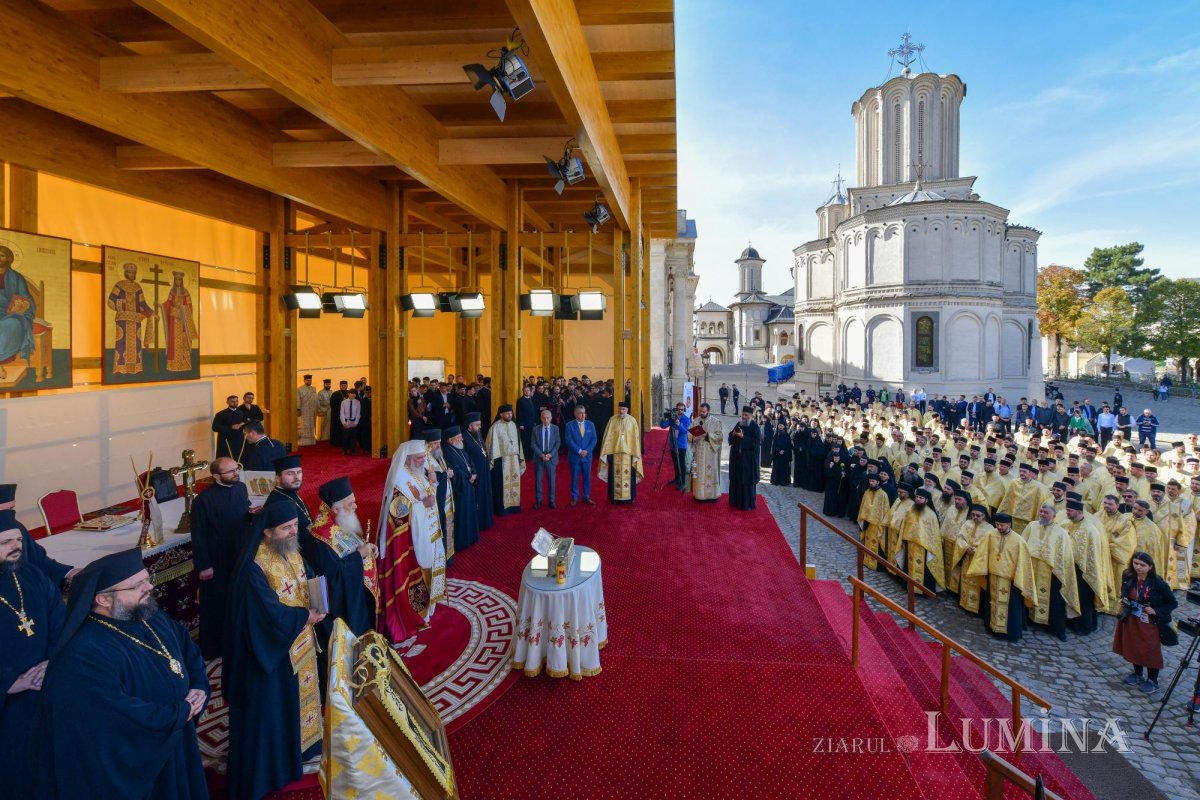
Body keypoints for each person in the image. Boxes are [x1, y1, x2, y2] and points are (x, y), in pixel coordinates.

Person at [35, 548, 208, 799]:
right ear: (103, 600)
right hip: (141, 755)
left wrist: (200, 686)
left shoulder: (150, 615)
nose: (149, 588)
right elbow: (113, 715)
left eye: (147, 579)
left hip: (175, 736)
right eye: (137, 585)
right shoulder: (83, 652)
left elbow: (188, 651)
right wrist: (177, 713)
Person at [224, 503, 325, 800]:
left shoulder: (289, 549)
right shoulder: (254, 566)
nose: (294, 531)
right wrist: (303, 617)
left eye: (294, 525)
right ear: (266, 532)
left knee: (298, 702)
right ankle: (274, 769)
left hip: (298, 644)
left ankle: (302, 748)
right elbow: (264, 614)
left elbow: (303, 578)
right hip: (271, 653)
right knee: (274, 711)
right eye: (286, 528)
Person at [0, 512, 66, 799]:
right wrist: (9, 683)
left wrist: (51, 661)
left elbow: (59, 621)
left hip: (46, 685)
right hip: (9, 702)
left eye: (18, 540)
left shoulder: (32, 574)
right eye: (5, 542)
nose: (16, 547)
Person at [377, 440, 447, 643]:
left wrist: (432, 482)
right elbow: (398, 514)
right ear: (407, 459)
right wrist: (421, 505)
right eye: (419, 459)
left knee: (433, 565)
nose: (423, 462)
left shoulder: (418, 472)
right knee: (420, 570)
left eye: (423, 458)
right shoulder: (399, 479)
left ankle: (430, 605)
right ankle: (419, 611)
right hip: (412, 541)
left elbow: (428, 493)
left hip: (429, 533)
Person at [189, 456, 251, 659]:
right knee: (217, 605)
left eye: (237, 469)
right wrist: (204, 565)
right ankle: (215, 648)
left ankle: (238, 642)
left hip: (240, 555)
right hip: (217, 561)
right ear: (216, 476)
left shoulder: (241, 488)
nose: (236, 473)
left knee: (239, 601)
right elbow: (198, 535)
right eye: (230, 471)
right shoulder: (203, 500)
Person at [306, 477, 378, 638]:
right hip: (340, 613)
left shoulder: (337, 519)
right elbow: (335, 577)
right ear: (336, 509)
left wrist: (367, 548)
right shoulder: (321, 538)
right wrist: (360, 555)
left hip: (355, 593)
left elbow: (351, 545)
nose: (356, 506)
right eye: (350, 504)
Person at [964, 513, 1038, 641]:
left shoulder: (1018, 541)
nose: (999, 527)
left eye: (1002, 525)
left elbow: (1023, 563)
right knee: (992, 603)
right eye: (997, 524)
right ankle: (991, 627)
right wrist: (983, 569)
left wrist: (1017, 578)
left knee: (1011, 608)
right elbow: (983, 553)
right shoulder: (991, 535)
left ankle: (1010, 634)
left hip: (1010, 581)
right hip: (993, 577)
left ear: (1009, 524)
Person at [1113, 552, 1177, 695]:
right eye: (1135, 563)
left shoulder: (1159, 584)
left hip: (1149, 622)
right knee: (1134, 646)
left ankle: (1153, 680)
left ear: (1150, 567)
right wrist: (1123, 600)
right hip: (1132, 619)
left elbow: (1172, 603)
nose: (1138, 567)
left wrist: (1155, 610)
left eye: (1142, 565)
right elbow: (1124, 591)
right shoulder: (1128, 576)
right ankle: (1138, 674)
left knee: (1150, 650)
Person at [0, 484, 75, 590]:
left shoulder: (17, 527)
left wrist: (68, 573)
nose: (11, 515)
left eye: (12, 508)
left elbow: (40, 560)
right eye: (6, 510)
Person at [1022, 504, 1080, 642]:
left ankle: (1057, 629)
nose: (1042, 514)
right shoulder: (1031, 526)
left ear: (1054, 516)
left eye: (1046, 512)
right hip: (1032, 569)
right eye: (1041, 511)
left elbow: (1065, 555)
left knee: (1055, 602)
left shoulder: (1061, 532)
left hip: (1051, 573)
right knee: (1029, 593)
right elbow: (1022, 544)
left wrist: (1059, 570)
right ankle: (1029, 621)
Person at [1063, 499, 1111, 636]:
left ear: (1079, 512)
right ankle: (1071, 621)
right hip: (1069, 568)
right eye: (1067, 510)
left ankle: (1084, 626)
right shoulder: (1066, 524)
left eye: (1069, 511)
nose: (1067, 513)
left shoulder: (1090, 530)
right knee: (1070, 596)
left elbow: (1093, 555)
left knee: (1084, 599)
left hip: (1084, 571)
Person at [106, 261, 154, 375]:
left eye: (134, 273)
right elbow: (110, 301)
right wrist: (124, 303)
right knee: (121, 342)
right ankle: (119, 367)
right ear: (125, 272)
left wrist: (151, 312)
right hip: (122, 319)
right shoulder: (119, 285)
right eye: (130, 272)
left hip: (135, 320)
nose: (132, 274)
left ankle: (136, 368)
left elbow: (142, 303)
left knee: (136, 344)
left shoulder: (138, 287)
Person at [442, 427, 480, 553]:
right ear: (451, 440)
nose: (462, 438)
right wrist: (469, 477)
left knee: (470, 512)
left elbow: (470, 461)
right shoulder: (447, 452)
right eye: (459, 437)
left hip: (469, 486)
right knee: (463, 514)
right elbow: (456, 470)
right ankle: (463, 541)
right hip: (461, 489)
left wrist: (474, 472)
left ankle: (471, 537)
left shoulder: (460, 448)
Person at [598, 400, 643, 504]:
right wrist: (607, 450)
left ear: (627, 410)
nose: (621, 411)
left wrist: (635, 451)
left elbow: (635, 438)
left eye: (624, 409)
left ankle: (629, 497)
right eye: (620, 409)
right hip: (615, 453)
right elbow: (608, 436)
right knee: (615, 474)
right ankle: (614, 498)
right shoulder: (612, 420)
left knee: (629, 475)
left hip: (628, 453)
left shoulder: (632, 421)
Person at [486, 404, 526, 514]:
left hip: (513, 459)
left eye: (510, 413)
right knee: (500, 485)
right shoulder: (495, 427)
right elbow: (490, 446)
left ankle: (514, 506)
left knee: (514, 482)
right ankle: (501, 509)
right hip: (500, 460)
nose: (509, 415)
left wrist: (521, 458)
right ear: (500, 414)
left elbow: (518, 443)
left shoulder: (514, 425)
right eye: (507, 413)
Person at [263, 454, 313, 542]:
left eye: (299, 472)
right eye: (290, 474)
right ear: (278, 479)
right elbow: (283, 540)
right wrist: (308, 530)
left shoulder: (290, 491)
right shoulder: (277, 502)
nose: (297, 477)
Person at [461, 413, 495, 529]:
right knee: (478, 498)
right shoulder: (464, 438)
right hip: (475, 475)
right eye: (477, 425)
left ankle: (487, 519)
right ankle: (479, 523)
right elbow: (465, 458)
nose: (479, 427)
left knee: (485, 495)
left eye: (480, 425)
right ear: (470, 426)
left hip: (484, 472)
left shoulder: (478, 435)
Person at [727, 406, 760, 511]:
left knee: (745, 481)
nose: (744, 417)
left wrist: (743, 437)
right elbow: (731, 437)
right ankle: (735, 502)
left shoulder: (755, 427)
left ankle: (746, 504)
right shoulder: (739, 423)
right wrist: (732, 434)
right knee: (736, 479)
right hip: (737, 459)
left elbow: (756, 444)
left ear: (751, 416)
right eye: (743, 414)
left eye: (746, 415)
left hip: (747, 461)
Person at [689, 403, 723, 502]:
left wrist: (707, 435)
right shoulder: (695, 421)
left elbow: (719, 437)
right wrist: (694, 436)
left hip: (710, 453)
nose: (701, 413)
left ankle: (712, 495)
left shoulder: (716, 422)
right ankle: (699, 495)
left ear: (708, 411)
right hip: (699, 452)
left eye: (703, 411)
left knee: (710, 472)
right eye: (700, 411)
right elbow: (689, 436)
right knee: (699, 473)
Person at [565, 404, 598, 506]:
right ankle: (574, 498)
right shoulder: (569, 425)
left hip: (587, 457)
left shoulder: (590, 424)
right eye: (580, 413)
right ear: (575, 414)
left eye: (584, 413)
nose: (583, 415)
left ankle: (586, 497)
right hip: (575, 457)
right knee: (574, 478)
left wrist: (587, 451)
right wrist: (579, 451)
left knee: (587, 478)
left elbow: (594, 439)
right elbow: (568, 440)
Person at [857, 473, 891, 570]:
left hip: (877, 525)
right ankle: (866, 561)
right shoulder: (867, 492)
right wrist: (863, 520)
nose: (871, 483)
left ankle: (877, 566)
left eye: (873, 481)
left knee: (876, 544)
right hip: (867, 524)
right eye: (870, 481)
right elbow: (863, 507)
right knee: (867, 543)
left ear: (878, 482)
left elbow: (885, 511)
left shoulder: (883, 495)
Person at [531, 408, 561, 509]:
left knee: (551, 481)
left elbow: (558, 443)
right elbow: (533, 444)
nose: (546, 420)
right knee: (538, 481)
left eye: (548, 418)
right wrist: (541, 455)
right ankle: (539, 501)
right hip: (539, 458)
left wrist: (550, 454)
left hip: (551, 458)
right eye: (544, 418)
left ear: (551, 418)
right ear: (541, 418)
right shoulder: (535, 429)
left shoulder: (556, 428)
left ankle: (551, 501)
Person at [661, 402, 691, 491]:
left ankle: (683, 482)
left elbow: (685, 431)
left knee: (681, 463)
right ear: (676, 409)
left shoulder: (686, 419)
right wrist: (664, 419)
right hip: (673, 444)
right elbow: (663, 426)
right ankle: (677, 479)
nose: (680, 411)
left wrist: (679, 424)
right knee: (675, 463)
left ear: (684, 410)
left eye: (682, 409)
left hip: (681, 445)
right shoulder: (672, 417)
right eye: (678, 409)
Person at [212, 394, 247, 463]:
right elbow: (215, 427)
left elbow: (244, 424)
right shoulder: (221, 414)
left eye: (236, 401)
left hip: (239, 439)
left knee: (240, 459)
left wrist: (244, 426)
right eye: (232, 401)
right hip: (226, 441)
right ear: (227, 402)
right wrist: (231, 427)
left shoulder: (241, 413)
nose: (235, 403)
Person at [516, 385, 538, 460]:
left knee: (532, 439)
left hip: (532, 423)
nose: (527, 392)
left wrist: (535, 422)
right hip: (524, 424)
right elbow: (519, 413)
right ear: (523, 391)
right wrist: (521, 424)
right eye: (525, 391)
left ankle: (531, 455)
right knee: (525, 440)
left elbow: (534, 412)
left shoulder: (532, 399)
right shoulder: (520, 400)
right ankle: (525, 456)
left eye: (528, 390)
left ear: (530, 391)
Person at [338, 387, 362, 455]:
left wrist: (356, 422)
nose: (354, 395)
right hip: (347, 421)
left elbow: (358, 413)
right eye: (352, 393)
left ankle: (353, 450)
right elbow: (342, 413)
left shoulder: (358, 402)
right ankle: (344, 450)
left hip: (354, 421)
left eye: (355, 394)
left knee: (353, 437)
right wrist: (343, 422)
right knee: (345, 437)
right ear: (348, 394)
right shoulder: (344, 402)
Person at [297, 374, 318, 446]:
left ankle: (312, 440)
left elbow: (316, 399)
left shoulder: (314, 389)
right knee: (304, 424)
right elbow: (298, 399)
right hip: (304, 409)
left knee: (312, 424)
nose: (309, 381)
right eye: (307, 380)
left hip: (312, 409)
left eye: (310, 380)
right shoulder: (300, 389)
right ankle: (303, 441)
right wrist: (298, 409)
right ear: (304, 380)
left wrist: (316, 408)